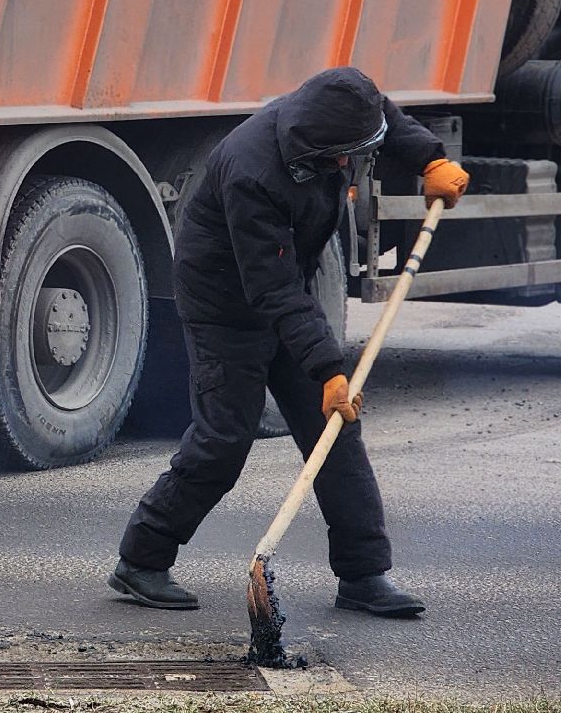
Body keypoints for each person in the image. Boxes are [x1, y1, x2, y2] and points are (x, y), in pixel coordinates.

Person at [112, 66, 469, 617]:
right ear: (324, 151)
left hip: (285, 288)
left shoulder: (337, 107)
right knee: (224, 438)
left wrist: (429, 157)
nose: (352, 165)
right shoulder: (254, 172)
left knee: (335, 429)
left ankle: (364, 576)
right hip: (224, 306)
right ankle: (142, 560)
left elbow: (382, 116)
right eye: (347, 157)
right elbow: (272, 290)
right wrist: (328, 368)